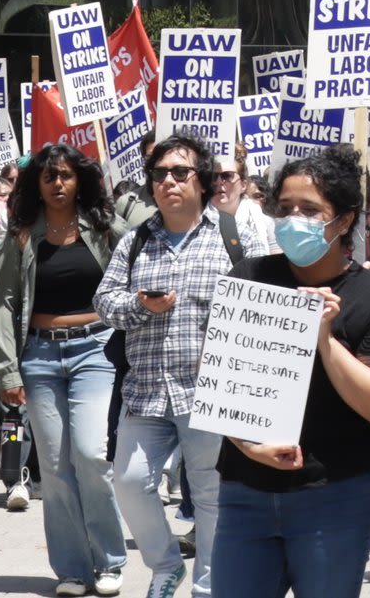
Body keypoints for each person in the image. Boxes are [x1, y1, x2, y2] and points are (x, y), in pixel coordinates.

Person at [213, 146, 370, 598]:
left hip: (335, 499)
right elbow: (221, 391)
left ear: (343, 221)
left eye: (310, 210)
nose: (293, 219)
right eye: (285, 209)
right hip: (246, 492)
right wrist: (251, 448)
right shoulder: (248, 277)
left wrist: (323, 339)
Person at [97, 133, 245, 598]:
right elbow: (105, 301)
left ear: (201, 182)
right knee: (129, 482)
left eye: (180, 173)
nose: (168, 182)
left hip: (209, 396)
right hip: (145, 391)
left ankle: (209, 588)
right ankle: (165, 567)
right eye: (159, 174)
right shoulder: (136, 240)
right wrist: (141, 306)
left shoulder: (232, 236)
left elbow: (261, 304)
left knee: (210, 498)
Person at [0, 143, 133, 598]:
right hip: (40, 357)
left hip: (95, 350)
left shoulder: (106, 227)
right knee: (53, 467)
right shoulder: (21, 236)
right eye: (49, 177)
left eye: (66, 175)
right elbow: (2, 302)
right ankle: (72, 569)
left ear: (80, 180)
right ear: (37, 184)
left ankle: (109, 561)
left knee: (91, 455)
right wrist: (7, 371)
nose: (57, 184)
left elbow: (142, 255)